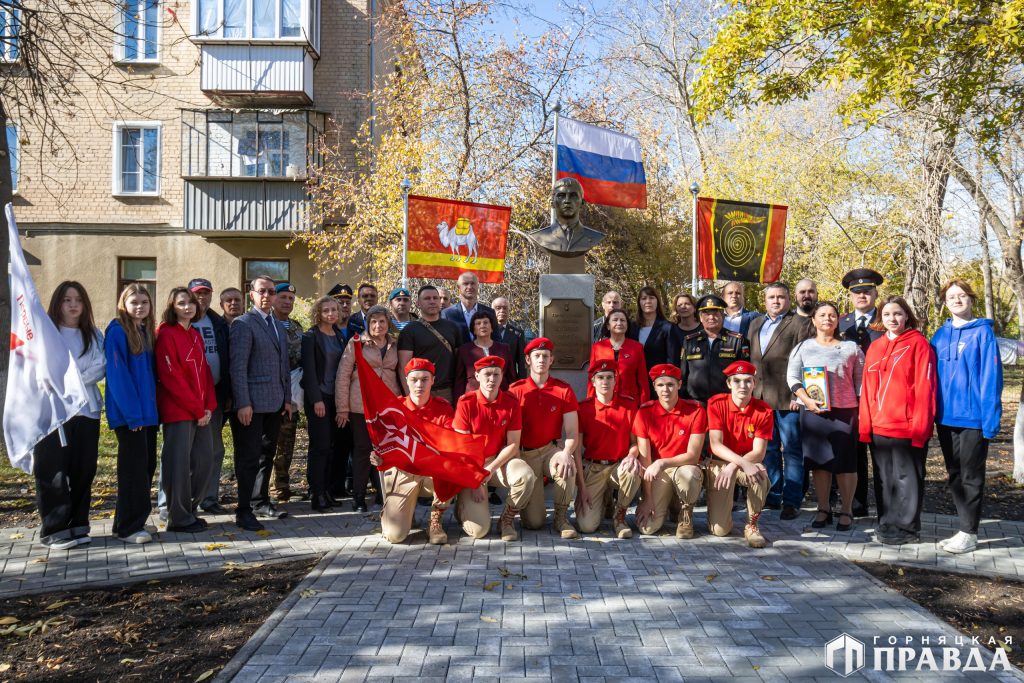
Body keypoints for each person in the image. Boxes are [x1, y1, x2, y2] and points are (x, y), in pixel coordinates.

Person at [932, 280, 1003, 554]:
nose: (957, 300)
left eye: (962, 296)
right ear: (945, 302)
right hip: (945, 417)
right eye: (952, 296)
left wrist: (990, 419)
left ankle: (969, 532)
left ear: (971, 300)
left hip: (973, 417)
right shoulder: (939, 335)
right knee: (954, 474)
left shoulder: (983, 334)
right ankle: (963, 528)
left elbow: (991, 377)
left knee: (972, 476)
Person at [33, 281, 105, 549]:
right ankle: (54, 529)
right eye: (67, 299)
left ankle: (78, 524)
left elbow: (100, 366)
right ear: (57, 303)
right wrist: (63, 384)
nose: (73, 305)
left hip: (86, 412)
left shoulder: (94, 335)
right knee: (52, 470)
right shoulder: (46, 333)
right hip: (52, 414)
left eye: (78, 300)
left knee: (83, 469)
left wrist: (71, 382)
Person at [859, 296, 936, 545]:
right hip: (879, 425)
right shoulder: (876, 346)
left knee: (907, 477)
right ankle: (887, 522)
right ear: (881, 318)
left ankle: (908, 529)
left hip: (908, 425)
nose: (893, 319)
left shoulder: (918, 344)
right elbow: (868, 388)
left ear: (907, 316)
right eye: (888, 314)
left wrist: (921, 427)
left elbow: (926, 388)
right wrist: (866, 425)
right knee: (884, 477)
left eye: (898, 314)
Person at [787, 302, 864, 532]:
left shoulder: (851, 348)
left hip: (845, 412)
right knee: (819, 463)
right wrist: (806, 400)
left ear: (838, 320)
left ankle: (846, 510)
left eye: (832, 315)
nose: (827, 319)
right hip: (812, 412)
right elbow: (792, 377)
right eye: (822, 315)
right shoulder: (803, 347)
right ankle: (823, 509)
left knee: (845, 464)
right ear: (814, 320)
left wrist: (860, 408)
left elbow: (861, 383)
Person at [229, 275, 292, 531]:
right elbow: (238, 367)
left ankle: (260, 501)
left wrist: (287, 399)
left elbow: (283, 365)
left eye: (270, 291)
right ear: (251, 295)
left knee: (266, 455)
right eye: (261, 291)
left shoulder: (277, 324)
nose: (267, 295)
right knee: (248, 458)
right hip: (251, 406)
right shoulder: (243, 324)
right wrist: (243, 402)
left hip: (275, 403)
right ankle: (243, 510)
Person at [747, 282, 813, 520]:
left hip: (788, 399)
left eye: (781, 297)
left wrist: (800, 394)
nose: (776, 301)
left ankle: (792, 500)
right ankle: (773, 494)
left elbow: (807, 359)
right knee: (769, 449)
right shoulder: (755, 324)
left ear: (788, 299)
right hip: (760, 399)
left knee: (793, 450)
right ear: (765, 301)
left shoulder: (801, 323)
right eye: (771, 297)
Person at [374, 358, 456, 544]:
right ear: (406, 380)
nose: (419, 384)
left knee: (451, 468)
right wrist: (379, 456)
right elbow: (386, 443)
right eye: (414, 379)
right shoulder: (395, 408)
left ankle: (436, 518)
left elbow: (451, 444)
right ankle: (405, 514)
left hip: (432, 472)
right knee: (395, 536)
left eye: (425, 379)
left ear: (433, 380)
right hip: (404, 471)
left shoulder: (443, 408)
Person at [155, 287, 216, 534]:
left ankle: (189, 510)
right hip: (179, 410)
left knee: (204, 459)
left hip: (201, 410)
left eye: (191, 303)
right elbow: (172, 378)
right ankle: (177, 517)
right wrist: (196, 408)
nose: (188, 307)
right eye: (182, 303)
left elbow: (205, 372)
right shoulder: (166, 334)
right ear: (172, 306)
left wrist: (209, 406)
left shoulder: (195, 334)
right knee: (178, 465)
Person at [455, 356, 535, 541]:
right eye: (487, 374)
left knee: (526, 475)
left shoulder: (511, 402)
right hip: (472, 465)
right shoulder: (466, 403)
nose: (491, 379)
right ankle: (462, 504)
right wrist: (476, 479)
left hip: (499, 462)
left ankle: (506, 519)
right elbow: (462, 446)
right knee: (479, 531)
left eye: (496, 374)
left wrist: (490, 469)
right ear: (477, 375)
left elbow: (513, 444)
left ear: (502, 376)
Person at [509, 338, 580, 539]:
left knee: (568, 465)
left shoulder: (563, 390)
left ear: (552, 360)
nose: (541, 359)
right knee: (534, 523)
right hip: (524, 453)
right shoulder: (515, 390)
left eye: (545, 356)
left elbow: (572, 432)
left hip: (550, 450)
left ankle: (561, 517)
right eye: (537, 356)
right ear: (528, 360)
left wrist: (566, 453)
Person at [106, 283, 159, 544]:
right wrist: (133, 416)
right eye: (134, 302)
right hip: (131, 418)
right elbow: (118, 378)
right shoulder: (117, 331)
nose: (139, 306)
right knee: (133, 471)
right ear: (123, 304)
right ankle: (128, 528)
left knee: (146, 468)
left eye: (144, 302)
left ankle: (130, 521)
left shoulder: (145, 331)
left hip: (147, 416)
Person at [336, 305, 400, 512]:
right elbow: (343, 375)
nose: (378, 325)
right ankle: (359, 497)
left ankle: (384, 494)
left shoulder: (395, 344)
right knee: (363, 451)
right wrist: (342, 408)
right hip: (360, 405)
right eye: (373, 322)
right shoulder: (356, 343)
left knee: (387, 450)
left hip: (388, 405)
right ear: (367, 324)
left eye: (382, 321)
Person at [633, 364, 707, 538]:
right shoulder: (644, 413)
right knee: (647, 528)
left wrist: (662, 462)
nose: (665, 389)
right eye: (660, 385)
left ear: (679, 385)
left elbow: (693, 455)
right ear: (654, 387)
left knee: (688, 475)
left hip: (684, 467)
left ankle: (685, 514)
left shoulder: (696, 411)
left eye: (670, 384)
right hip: (660, 474)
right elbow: (645, 459)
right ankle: (670, 505)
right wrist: (647, 498)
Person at [706, 361, 773, 548]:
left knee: (760, 476)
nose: (742, 386)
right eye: (737, 381)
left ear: (754, 383)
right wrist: (732, 465)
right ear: (729, 384)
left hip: (746, 463)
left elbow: (759, 452)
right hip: (720, 463)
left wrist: (735, 465)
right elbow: (715, 444)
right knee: (720, 531)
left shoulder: (764, 410)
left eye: (747, 381)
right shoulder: (716, 404)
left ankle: (752, 524)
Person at [838, 268, 885, 518]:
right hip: (848, 398)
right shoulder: (841, 322)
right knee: (853, 453)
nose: (862, 295)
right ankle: (856, 506)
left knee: (880, 455)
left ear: (875, 293)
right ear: (851, 295)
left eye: (867, 291)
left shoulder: (886, 319)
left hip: (879, 398)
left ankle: (886, 509)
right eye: (857, 292)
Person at [575, 360, 641, 538]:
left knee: (633, 471)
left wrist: (632, 455)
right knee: (586, 526)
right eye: (601, 377)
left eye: (609, 377)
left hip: (618, 466)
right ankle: (605, 500)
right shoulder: (583, 408)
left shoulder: (628, 405)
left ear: (615, 380)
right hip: (593, 468)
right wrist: (582, 488)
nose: (605, 381)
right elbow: (576, 450)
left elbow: (635, 443)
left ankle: (619, 516)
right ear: (593, 381)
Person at [300, 296, 349, 513]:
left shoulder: (339, 335)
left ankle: (327, 490)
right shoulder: (310, 336)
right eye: (326, 310)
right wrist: (316, 399)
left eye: (334, 310)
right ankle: (316, 493)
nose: (331, 314)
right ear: (318, 313)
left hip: (335, 397)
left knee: (332, 447)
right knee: (320, 447)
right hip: (318, 398)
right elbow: (309, 371)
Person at [189, 279, 232, 516]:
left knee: (214, 448)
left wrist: (226, 393)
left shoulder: (217, 322)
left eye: (205, 293)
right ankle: (182, 500)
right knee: (184, 451)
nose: (201, 298)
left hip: (214, 393)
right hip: (187, 396)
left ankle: (209, 497)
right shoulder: (179, 322)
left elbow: (225, 358)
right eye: (197, 293)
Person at [398, 285, 465, 404]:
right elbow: (403, 367)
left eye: (435, 298)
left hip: (447, 392)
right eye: (427, 298)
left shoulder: (453, 328)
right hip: (419, 392)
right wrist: (409, 397)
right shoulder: (409, 330)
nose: (432, 301)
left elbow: (459, 362)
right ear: (418, 303)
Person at [680, 294, 749, 404]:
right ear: (700, 317)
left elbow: (744, 375)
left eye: (715, 313)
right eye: (706, 313)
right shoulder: (689, 341)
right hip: (695, 403)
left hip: (726, 403)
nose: (711, 317)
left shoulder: (737, 340)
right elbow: (683, 374)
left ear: (722, 315)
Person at [270, 282, 304, 503]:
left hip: (291, 394)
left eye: (291, 299)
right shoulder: (264, 324)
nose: (287, 302)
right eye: (283, 297)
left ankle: (281, 489)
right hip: (269, 393)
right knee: (268, 445)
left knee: (286, 442)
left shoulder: (296, 327)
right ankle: (262, 490)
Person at [589, 309, 649, 404]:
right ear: (608, 326)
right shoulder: (597, 347)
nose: (619, 323)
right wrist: (590, 402)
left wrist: (644, 404)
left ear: (627, 325)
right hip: (604, 402)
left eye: (623, 320)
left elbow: (643, 380)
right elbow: (591, 379)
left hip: (630, 402)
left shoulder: (637, 347)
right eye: (615, 320)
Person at [453, 310, 513, 397]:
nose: (482, 326)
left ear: (492, 328)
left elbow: (511, 377)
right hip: (473, 398)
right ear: (473, 330)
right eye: (478, 323)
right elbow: (459, 380)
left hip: (502, 397)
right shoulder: (464, 350)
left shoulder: (504, 349)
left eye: (486, 322)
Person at [631, 286, 682, 374]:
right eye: (644, 298)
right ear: (639, 303)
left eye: (651, 298)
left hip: (658, 380)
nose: (648, 301)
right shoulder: (632, 327)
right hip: (635, 380)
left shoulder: (668, 328)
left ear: (657, 301)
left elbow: (672, 360)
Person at [442, 271, 495, 339]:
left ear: (478, 286)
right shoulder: (447, 314)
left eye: (473, 283)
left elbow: (496, 339)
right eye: (465, 284)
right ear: (458, 287)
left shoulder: (490, 312)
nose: (469, 287)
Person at [492, 296, 527, 380]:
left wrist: (521, 383)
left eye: (505, 308)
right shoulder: (485, 332)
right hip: (489, 378)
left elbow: (522, 363)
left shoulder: (517, 334)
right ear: (491, 311)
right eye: (498, 308)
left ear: (509, 311)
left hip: (509, 381)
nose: (502, 311)